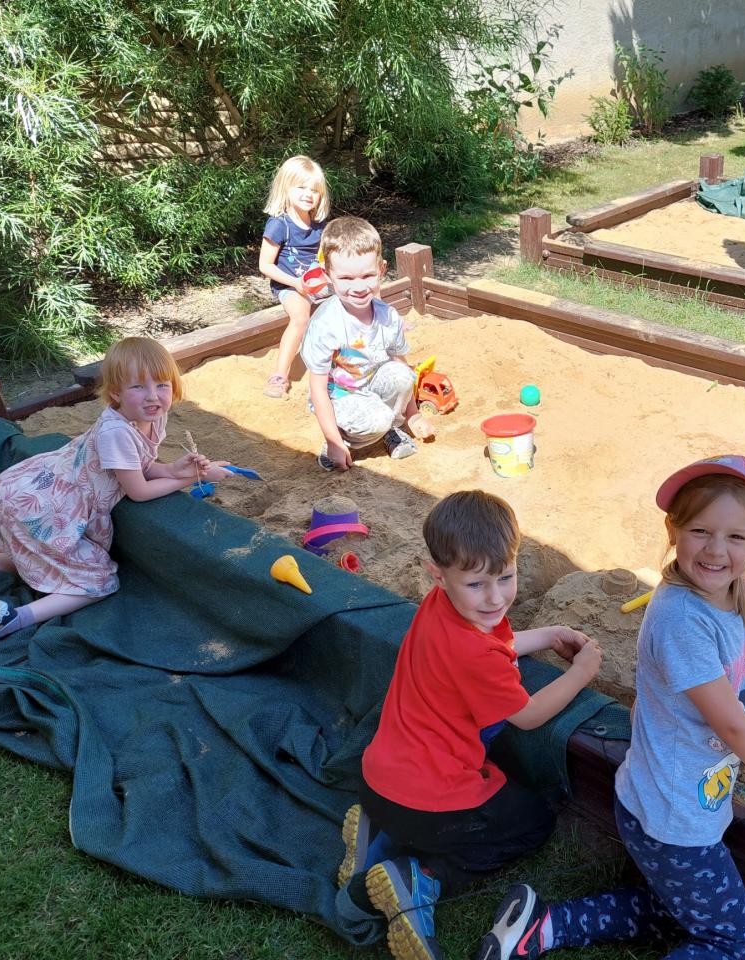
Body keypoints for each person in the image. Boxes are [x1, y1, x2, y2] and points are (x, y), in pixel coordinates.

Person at [474, 455, 745, 960]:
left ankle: (545, 926)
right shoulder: (682, 621)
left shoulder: (724, 597)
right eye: (700, 531)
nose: (716, 549)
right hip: (672, 820)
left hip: (667, 800)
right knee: (734, 945)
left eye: (735, 536)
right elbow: (734, 726)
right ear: (674, 530)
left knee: (673, 911)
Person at [335, 490, 602, 960]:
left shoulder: (439, 605)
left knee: (475, 805)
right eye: (478, 584)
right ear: (437, 573)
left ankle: (379, 837)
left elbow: (496, 647)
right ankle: (422, 878)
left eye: (506, 577)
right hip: (428, 802)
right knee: (532, 824)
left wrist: (550, 634)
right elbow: (528, 715)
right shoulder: (478, 655)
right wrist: (580, 673)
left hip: (379, 779)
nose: (495, 597)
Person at [0, 338, 230, 654]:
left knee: (22, 557)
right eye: (138, 387)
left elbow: (139, 466)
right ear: (116, 393)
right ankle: (10, 620)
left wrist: (176, 469)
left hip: (35, 487)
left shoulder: (150, 415)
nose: (153, 396)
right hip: (46, 507)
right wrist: (193, 478)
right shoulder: (117, 432)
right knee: (98, 583)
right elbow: (138, 491)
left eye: (162, 385)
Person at [299, 216, 434, 469]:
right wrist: (333, 441)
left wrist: (413, 414)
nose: (359, 287)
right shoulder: (325, 325)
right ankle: (342, 441)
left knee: (403, 374)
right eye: (346, 278)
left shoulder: (387, 316)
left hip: (372, 384)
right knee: (377, 419)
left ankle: (392, 428)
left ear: (381, 270)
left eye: (367, 275)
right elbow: (318, 389)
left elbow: (400, 363)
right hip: (339, 396)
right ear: (328, 275)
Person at [259, 155, 331, 398]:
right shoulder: (280, 225)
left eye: (315, 190)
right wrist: (296, 284)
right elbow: (265, 265)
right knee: (301, 316)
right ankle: (280, 375)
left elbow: (323, 257)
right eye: (301, 187)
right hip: (288, 284)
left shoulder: (319, 225)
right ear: (286, 188)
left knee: (351, 294)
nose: (308, 194)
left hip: (314, 282)